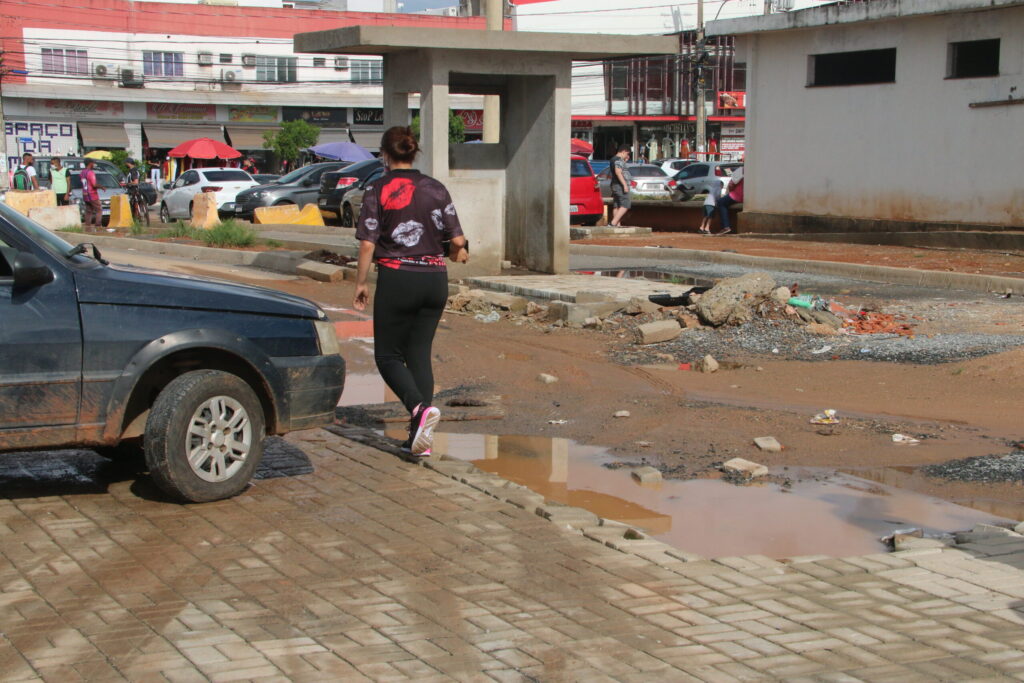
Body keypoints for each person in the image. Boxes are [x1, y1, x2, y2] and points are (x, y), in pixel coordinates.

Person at [353, 126, 468, 457]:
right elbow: (458, 241)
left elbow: (367, 243)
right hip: (435, 280)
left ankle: (419, 410)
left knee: (387, 355)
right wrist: (453, 250)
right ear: (413, 152)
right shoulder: (436, 188)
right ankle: (420, 439)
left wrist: (360, 283)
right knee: (418, 353)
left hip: (398, 277)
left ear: (386, 155)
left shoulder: (377, 189)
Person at [716, 165, 743, 236]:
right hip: (745, 196)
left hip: (737, 195)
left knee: (721, 202)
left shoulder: (741, 170)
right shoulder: (752, 171)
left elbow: (731, 185)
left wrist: (730, 191)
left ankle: (725, 226)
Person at [608, 145, 632, 227]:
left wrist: (625, 161)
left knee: (617, 205)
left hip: (615, 184)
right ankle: (613, 223)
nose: (627, 156)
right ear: (624, 151)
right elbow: (618, 172)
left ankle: (617, 224)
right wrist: (624, 185)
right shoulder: (618, 160)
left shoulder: (613, 159)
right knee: (625, 204)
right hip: (620, 185)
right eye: (627, 154)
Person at [81, 158, 103, 230]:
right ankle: (98, 225)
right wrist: (102, 187)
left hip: (85, 194)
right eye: (93, 163)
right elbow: (94, 184)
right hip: (92, 194)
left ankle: (87, 226)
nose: (94, 165)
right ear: (90, 163)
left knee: (88, 211)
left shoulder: (82, 172)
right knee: (99, 209)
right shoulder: (91, 173)